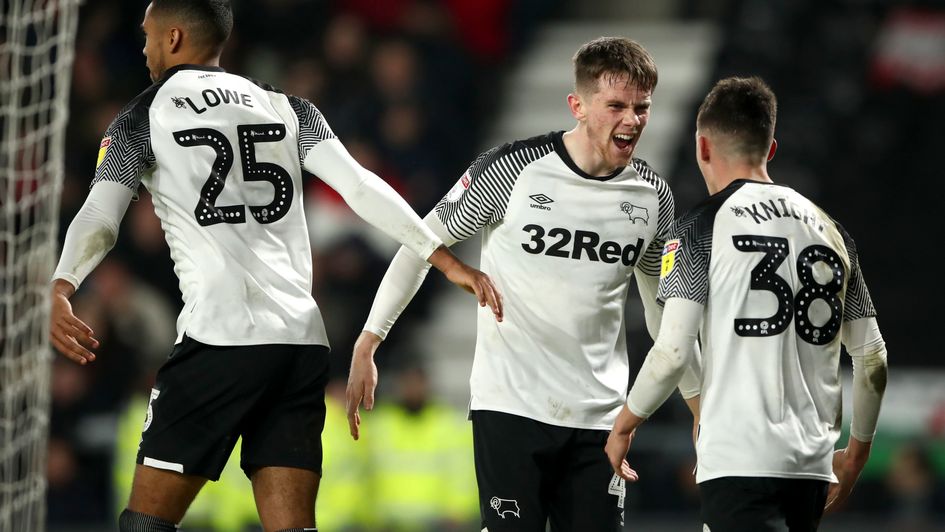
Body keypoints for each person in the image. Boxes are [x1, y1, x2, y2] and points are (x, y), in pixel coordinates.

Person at [48, 1, 502, 531]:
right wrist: (440, 255)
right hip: (299, 342)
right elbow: (359, 186)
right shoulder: (288, 107)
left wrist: (64, 283)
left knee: (145, 523)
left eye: (147, 35)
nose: (143, 47)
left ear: (173, 38)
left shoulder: (143, 116)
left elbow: (101, 213)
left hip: (219, 337)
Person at [346, 37, 700, 531]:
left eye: (642, 107)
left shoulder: (652, 197)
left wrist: (698, 404)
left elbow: (665, 315)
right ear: (577, 105)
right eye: (616, 105)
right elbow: (418, 243)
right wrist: (371, 337)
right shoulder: (513, 169)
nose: (634, 119)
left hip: (599, 421)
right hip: (511, 408)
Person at [605, 76, 889, 531]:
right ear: (771, 149)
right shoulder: (832, 231)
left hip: (739, 459)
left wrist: (624, 425)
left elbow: (673, 351)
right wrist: (856, 453)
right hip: (811, 467)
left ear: (702, 147)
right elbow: (872, 358)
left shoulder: (698, 229)